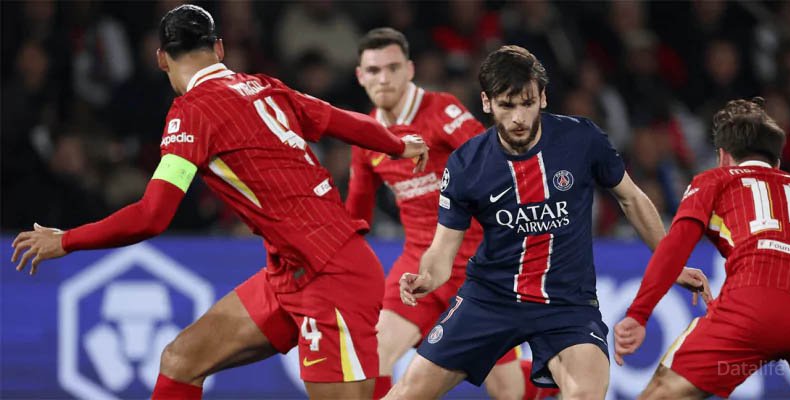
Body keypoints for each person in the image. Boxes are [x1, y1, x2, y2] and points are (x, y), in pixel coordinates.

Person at [10, 5, 429, 399]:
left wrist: (66, 240)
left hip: (330, 276)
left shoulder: (192, 112)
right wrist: (397, 144)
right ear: (220, 48)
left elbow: (152, 216)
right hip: (290, 272)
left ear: (161, 59)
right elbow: (337, 118)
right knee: (181, 360)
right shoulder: (264, 86)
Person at [384, 45, 711, 399]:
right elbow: (442, 250)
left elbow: (631, 198)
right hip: (490, 298)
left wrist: (671, 262)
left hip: (566, 303)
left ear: (542, 96)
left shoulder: (582, 139)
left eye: (527, 103)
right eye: (507, 105)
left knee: (586, 393)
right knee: (408, 393)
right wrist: (427, 277)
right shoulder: (466, 164)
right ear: (487, 102)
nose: (519, 118)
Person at [613, 97, 790, 399]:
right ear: (777, 162)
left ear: (723, 156)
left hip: (755, 306)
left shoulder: (715, 180)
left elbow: (675, 247)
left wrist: (639, 314)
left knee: (665, 389)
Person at [347, 28, 525, 399]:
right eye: (374, 70)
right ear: (360, 76)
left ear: (410, 70)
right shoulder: (366, 136)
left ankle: (547, 379)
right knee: (373, 354)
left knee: (509, 391)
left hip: (477, 269)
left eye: (393, 68)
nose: (384, 78)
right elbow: (356, 216)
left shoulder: (441, 110)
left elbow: (494, 161)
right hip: (418, 266)